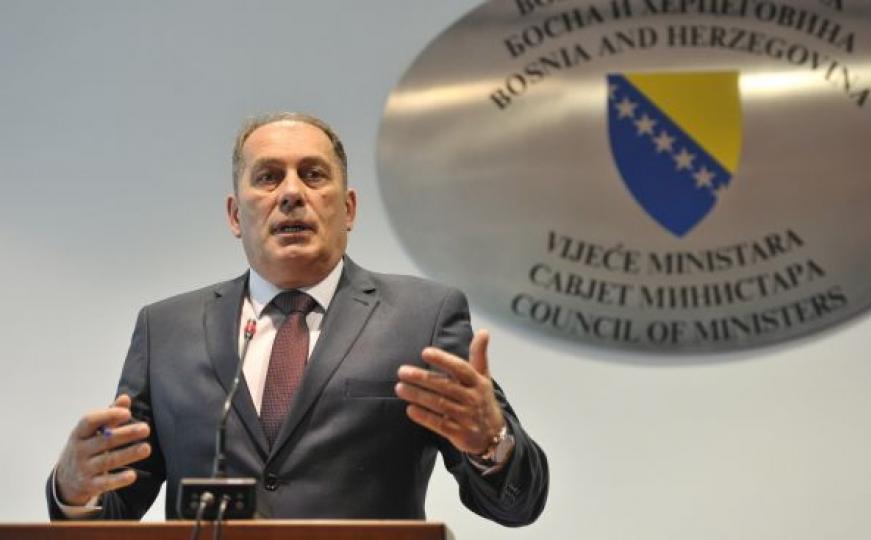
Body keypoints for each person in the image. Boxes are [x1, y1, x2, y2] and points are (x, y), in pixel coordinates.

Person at [47, 112, 548, 523]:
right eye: (268, 177)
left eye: (313, 174)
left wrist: (491, 443)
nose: (291, 193)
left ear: (348, 209)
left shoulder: (421, 318)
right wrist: (71, 491)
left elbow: (517, 505)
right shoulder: (166, 330)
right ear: (235, 215)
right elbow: (113, 511)